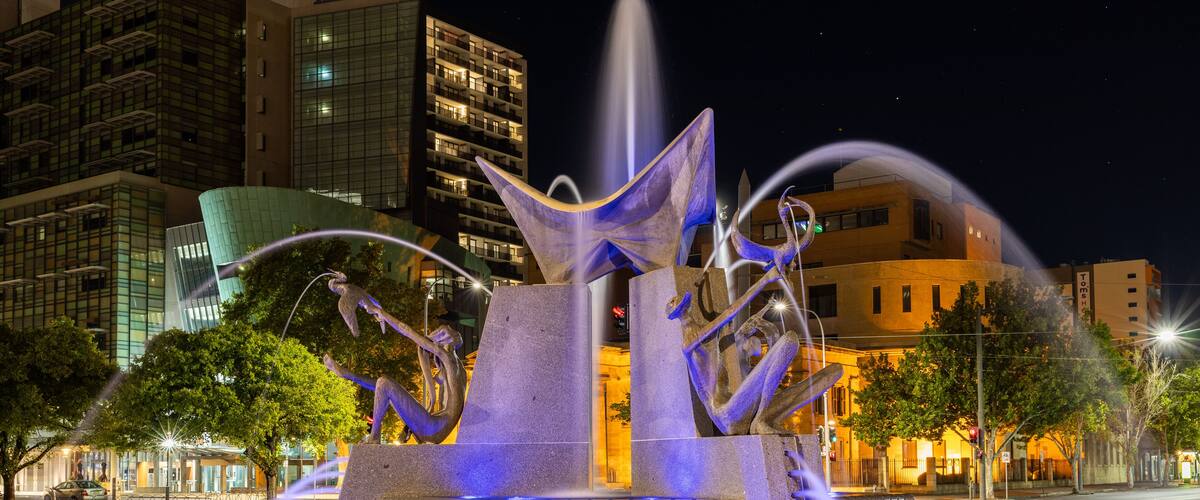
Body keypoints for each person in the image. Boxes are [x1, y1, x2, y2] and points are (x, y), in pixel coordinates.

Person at [324, 275, 466, 444]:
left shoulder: (450, 360)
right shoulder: (450, 366)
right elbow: (381, 388)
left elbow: (407, 331)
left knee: (385, 383)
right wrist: (348, 375)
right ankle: (349, 375)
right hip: (433, 424)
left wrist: (381, 312)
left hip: (435, 427)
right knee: (382, 385)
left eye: (438, 337)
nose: (432, 345)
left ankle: (374, 438)